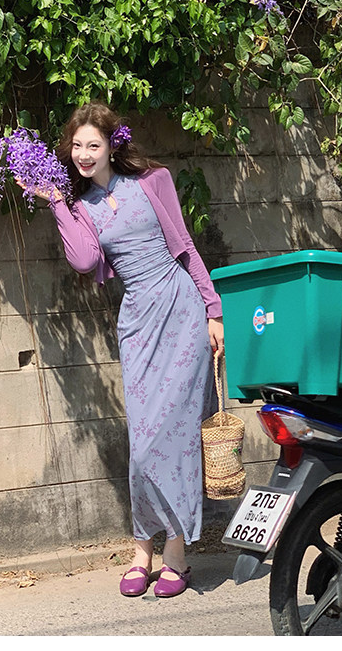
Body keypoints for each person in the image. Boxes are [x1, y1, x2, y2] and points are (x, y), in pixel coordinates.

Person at [32, 102, 224, 598]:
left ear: (111, 146)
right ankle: (142, 548)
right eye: (76, 146)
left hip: (181, 309)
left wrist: (213, 310)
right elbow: (84, 260)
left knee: (177, 434)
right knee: (143, 441)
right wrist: (57, 203)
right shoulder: (80, 206)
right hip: (137, 319)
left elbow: (185, 247)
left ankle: (175, 553)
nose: (84, 154)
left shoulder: (153, 181)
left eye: (93, 145)